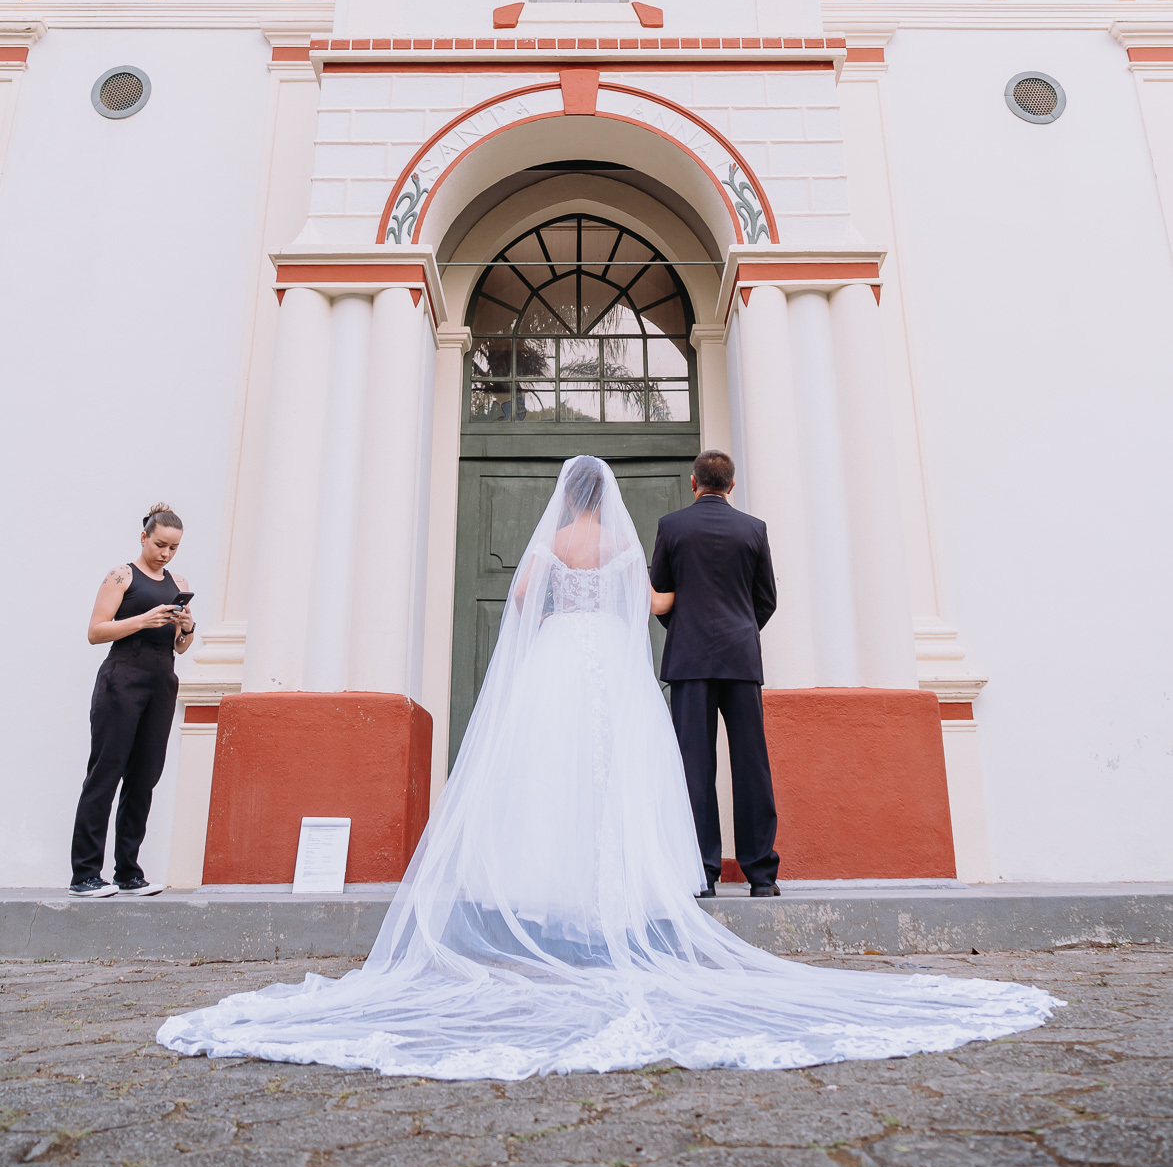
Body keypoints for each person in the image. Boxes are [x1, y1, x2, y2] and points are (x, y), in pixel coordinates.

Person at [159, 456, 1056, 1078]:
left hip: (556, 654)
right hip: (626, 660)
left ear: (562, 498)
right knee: (617, 767)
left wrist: (552, 587)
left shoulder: (550, 546)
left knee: (544, 772)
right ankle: (644, 881)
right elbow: (652, 600)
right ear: (611, 497)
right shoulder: (634, 545)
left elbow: (516, 601)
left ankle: (544, 892)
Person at [648, 448, 780, 898]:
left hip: (689, 660)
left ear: (693, 482)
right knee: (751, 765)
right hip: (742, 659)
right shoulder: (754, 529)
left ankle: (702, 871)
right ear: (732, 486)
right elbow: (767, 600)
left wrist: (683, 629)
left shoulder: (671, 527)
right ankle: (761, 875)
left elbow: (661, 591)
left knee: (694, 765)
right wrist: (742, 630)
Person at [69, 503, 194, 898]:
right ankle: (85, 875)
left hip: (162, 681)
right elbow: (95, 631)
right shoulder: (122, 575)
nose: (165, 554)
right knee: (106, 773)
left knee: (144, 778)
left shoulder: (177, 580)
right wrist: (144, 619)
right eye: (159, 544)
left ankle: (129, 872)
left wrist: (186, 628)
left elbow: (181, 646)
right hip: (122, 678)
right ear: (144, 537)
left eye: (173, 547)